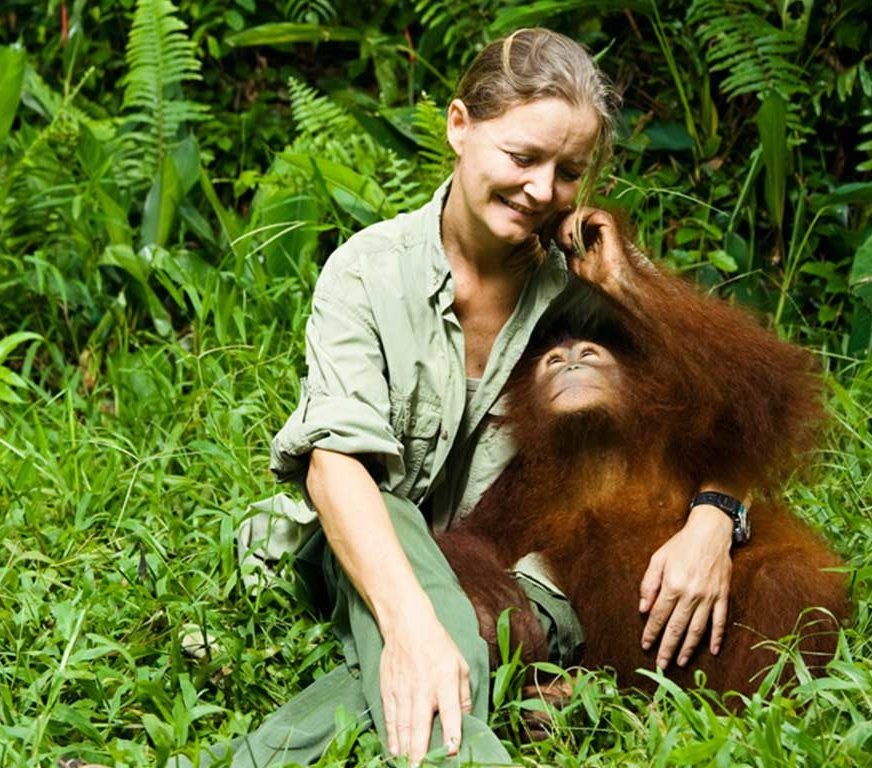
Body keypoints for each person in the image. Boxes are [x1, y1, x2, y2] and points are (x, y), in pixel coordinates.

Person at [175, 27, 746, 768]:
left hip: (515, 577)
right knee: (417, 575)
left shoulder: (585, 285)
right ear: (458, 127)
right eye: (522, 157)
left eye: (569, 172)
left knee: (442, 652)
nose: (542, 190)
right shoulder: (368, 274)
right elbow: (337, 466)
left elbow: (735, 410)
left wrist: (714, 515)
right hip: (374, 550)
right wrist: (412, 624)